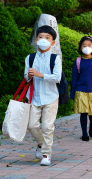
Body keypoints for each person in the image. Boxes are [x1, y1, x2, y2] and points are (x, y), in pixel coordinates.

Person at [25, 25, 62, 166]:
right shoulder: (29, 58)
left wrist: (40, 75)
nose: (43, 40)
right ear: (36, 40)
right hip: (34, 96)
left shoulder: (55, 58)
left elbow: (57, 77)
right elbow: (26, 77)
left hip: (51, 97)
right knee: (31, 125)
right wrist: (28, 75)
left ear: (52, 42)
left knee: (47, 126)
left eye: (47, 38)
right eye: (40, 37)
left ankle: (46, 154)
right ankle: (41, 144)